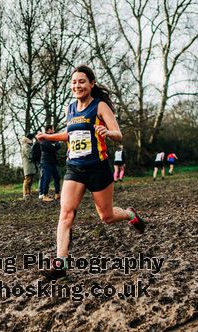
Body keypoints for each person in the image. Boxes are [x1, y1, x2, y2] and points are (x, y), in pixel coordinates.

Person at [36, 65, 145, 280]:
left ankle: (130, 215)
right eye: (74, 82)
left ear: (91, 84)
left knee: (107, 216)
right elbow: (71, 135)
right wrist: (49, 137)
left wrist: (107, 132)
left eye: (82, 81)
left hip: (98, 168)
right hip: (75, 168)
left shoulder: (100, 106)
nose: (77, 85)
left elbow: (119, 134)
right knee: (66, 213)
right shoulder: (70, 109)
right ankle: (60, 263)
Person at [38, 125, 61, 202]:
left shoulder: (53, 138)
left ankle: (57, 193)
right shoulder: (43, 139)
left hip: (53, 161)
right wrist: (54, 146)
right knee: (47, 178)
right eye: (53, 129)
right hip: (46, 162)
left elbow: (59, 145)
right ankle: (45, 194)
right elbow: (51, 148)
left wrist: (54, 146)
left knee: (57, 177)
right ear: (48, 130)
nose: (54, 130)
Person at [21, 132, 38, 200]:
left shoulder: (27, 145)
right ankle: (25, 194)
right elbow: (30, 155)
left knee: (30, 180)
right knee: (27, 179)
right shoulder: (26, 146)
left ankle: (28, 193)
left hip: (30, 165)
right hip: (28, 165)